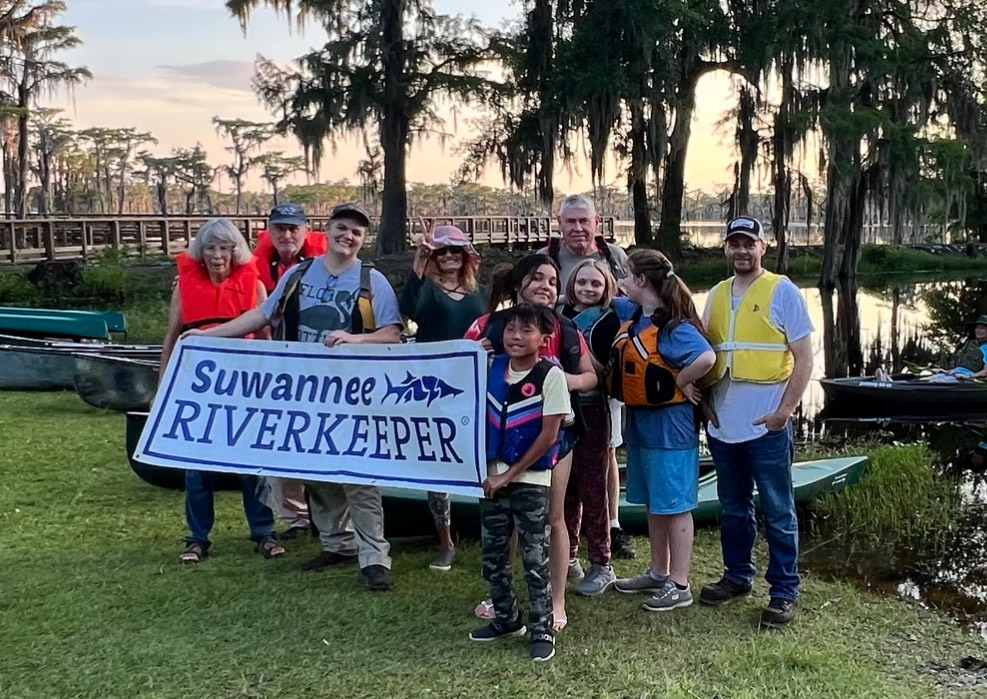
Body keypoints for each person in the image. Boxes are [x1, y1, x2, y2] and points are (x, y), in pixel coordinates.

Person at [183, 202, 404, 592]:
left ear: (362, 239)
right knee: (315, 474)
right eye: (341, 227)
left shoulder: (373, 281)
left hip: (354, 395)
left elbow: (391, 333)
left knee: (360, 477)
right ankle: (336, 544)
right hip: (304, 395)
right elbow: (263, 315)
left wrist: (355, 339)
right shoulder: (299, 275)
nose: (347, 236)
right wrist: (208, 336)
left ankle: (375, 558)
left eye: (356, 231)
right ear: (328, 230)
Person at [465, 254, 597, 630]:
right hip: (500, 442)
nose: (546, 286)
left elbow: (591, 377)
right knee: (501, 521)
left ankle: (556, 602)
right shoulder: (490, 326)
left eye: (553, 281)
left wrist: (555, 381)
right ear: (519, 284)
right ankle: (499, 596)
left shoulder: (566, 328)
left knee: (554, 519)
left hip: (555, 438)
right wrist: (479, 357)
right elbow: (454, 366)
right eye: (537, 278)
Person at [699, 216, 814, 630]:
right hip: (723, 427)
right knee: (733, 508)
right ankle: (737, 576)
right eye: (735, 243)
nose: (741, 251)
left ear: (764, 247)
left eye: (749, 243)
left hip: (767, 425)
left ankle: (784, 592)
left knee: (779, 510)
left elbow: (804, 358)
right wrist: (704, 404)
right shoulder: (714, 294)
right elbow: (706, 354)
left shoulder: (782, 290)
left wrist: (784, 412)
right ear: (726, 248)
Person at [160, 218, 283, 565]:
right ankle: (197, 538)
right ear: (201, 252)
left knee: (251, 465)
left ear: (235, 251)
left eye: (224, 248)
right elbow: (170, 338)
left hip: (243, 388)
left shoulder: (254, 285)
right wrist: (163, 389)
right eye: (210, 248)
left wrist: (270, 388)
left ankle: (264, 532)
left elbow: (265, 343)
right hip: (199, 390)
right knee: (197, 468)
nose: (217, 256)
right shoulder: (184, 287)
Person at [610, 250, 715, 611]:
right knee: (656, 504)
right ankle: (658, 571)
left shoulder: (674, 327)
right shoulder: (634, 315)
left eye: (626, 275)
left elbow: (706, 357)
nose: (621, 282)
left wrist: (683, 381)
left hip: (672, 432)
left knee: (675, 507)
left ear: (641, 281)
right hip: (642, 428)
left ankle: (680, 583)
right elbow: (599, 297)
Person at [468, 304, 571, 663]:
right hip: (491, 480)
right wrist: (470, 354)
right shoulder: (492, 368)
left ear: (544, 339)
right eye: (510, 329)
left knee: (533, 556)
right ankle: (507, 619)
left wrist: (507, 475)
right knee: (494, 557)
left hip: (529, 480)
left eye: (525, 331)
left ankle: (542, 627)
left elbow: (548, 435)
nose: (515, 336)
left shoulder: (550, 375)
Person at [539, 194, 636, 560]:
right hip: (558, 371)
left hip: (603, 372)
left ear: (597, 223)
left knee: (606, 451)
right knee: (559, 450)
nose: (578, 228)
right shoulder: (548, 256)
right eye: (570, 222)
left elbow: (636, 300)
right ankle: (562, 533)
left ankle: (612, 525)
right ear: (559, 224)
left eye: (584, 221)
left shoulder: (615, 257)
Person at [399, 222, 486, 571]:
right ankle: (445, 541)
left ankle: (490, 533)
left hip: (473, 385)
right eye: (442, 251)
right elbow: (411, 310)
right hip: (434, 386)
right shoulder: (428, 289)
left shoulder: (478, 292)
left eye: (455, 250)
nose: (449, 256)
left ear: (465, 255)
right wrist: (419, 262)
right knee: (439, 461)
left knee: (481, 458)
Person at [253, 203, 328, 540]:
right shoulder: (252, 269)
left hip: (320, 370)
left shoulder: (325, 265)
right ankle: (295, 518)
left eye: (293, 228)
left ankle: (325, 517)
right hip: (275, 369)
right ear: (269, 231)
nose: (286, 235)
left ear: (306, 231)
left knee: (320, 443)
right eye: (279, 228)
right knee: (280, 443)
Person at [559, 260, 623, 596]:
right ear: (571, 285)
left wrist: (582, 356)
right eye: (581, 282)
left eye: (595, 284)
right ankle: (568, 556)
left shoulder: (610, 318)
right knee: (565, 487)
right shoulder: (558, 315)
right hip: (561, 411)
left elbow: (609, 370)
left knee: (593, 486)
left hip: (593, 407)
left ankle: (602, 562)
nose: (587, 288)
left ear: (606, 287)